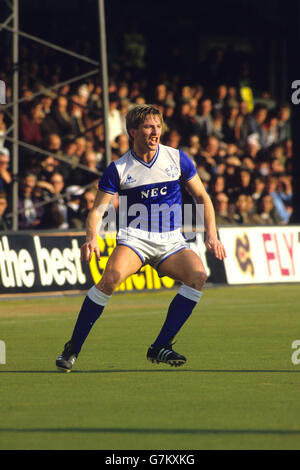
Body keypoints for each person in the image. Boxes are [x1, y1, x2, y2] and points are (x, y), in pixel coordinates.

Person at [55, 104, 226, 372]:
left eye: (158, 126)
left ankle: (160, 346)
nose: (155, 131)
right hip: (135, 239)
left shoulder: (176, 158)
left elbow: (202, 197)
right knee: (109, 280)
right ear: (133, 131)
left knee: (198, 276)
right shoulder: (119, 168)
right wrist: (91, 237)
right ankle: (72, 348)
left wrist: (212, 236)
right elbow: (98, 210)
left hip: (171, 240)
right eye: (148, 126)